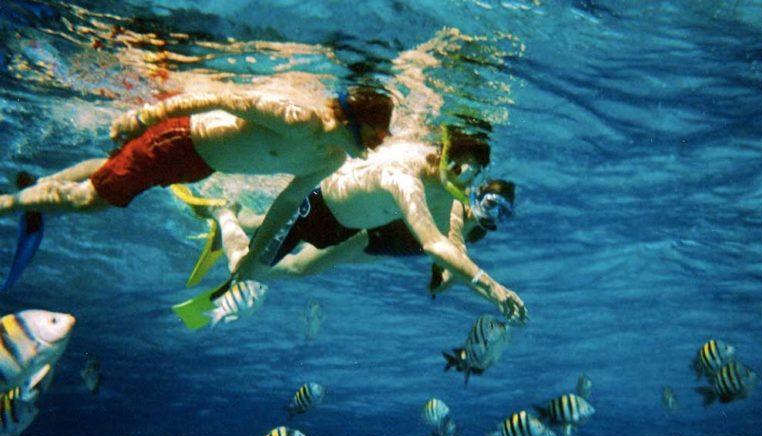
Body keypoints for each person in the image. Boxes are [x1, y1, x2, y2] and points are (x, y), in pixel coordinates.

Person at [0, 79, 394, 283]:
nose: (382, 142)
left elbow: (289, 202)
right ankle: (12, 203)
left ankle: (41, 185)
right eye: (380, 132)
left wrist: (256, 253)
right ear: (357, 121)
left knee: (110, 170)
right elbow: (222, 98)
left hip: (197, 163)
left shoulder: (330, 157)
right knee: (91, 201)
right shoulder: (299, 119)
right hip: (178, 140)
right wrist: (146, 116)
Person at [177, 127, 527, 323]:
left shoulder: (447, 194)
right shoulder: (405, 180)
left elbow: (451, 248)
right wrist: (493, 289)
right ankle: (224, 215)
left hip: (346, 224)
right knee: (244, 270)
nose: (467, 184)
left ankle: (232, 218)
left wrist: (475, 285)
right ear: (447, 156)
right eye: (465, 171)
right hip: (316, 207)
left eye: (475, 175)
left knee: (281, 260)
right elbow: (435, 244)